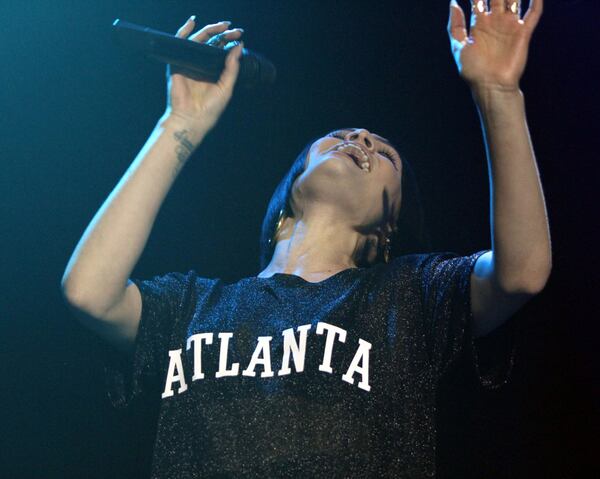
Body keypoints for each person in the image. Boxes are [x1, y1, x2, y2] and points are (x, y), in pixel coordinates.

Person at [61, 1, 550, 477]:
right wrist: (179, 124)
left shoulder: (409, 297)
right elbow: (90, 291)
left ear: (388, 228)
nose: (360, 139)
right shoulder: (192, 306)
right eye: (342, 134)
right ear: (289, 189)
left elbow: (523, 271)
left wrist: (498, 93)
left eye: (384, 154)